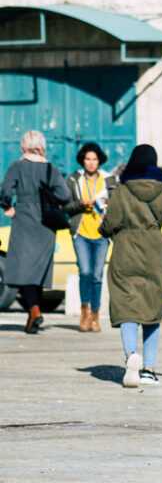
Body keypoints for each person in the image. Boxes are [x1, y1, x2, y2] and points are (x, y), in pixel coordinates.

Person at [99, 145, 162, 388]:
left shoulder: (121, 190)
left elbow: (111, 223)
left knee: (127, 307)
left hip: (125, 251)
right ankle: (149, 370)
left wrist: (103, 229)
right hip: (155, 254)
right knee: (151, 311)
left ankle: (130, 356)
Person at [0, 130, 71, 333]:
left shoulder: (17, 166)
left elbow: (6, 191)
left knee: (23, 270)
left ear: (23, 145)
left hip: (23, 219)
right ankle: (33, 314)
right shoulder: (51, 169)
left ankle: (35, 311)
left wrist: (7, 207)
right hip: (45, 224)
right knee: (38, 270)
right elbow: (64, 195)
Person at [64, 142, 115, 333]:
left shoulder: (109, 180)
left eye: (94, 159)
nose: (91, 163)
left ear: (99, 161)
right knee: (84, 272)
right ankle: (84, 311)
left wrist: (105, 204)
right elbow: (65, 206)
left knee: (97, 275)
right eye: (88, 159)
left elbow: (117, 203)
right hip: (81, 234)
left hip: (102, 235)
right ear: (83, 161)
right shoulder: (74, 180)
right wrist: (80, 204)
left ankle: (95, 315)